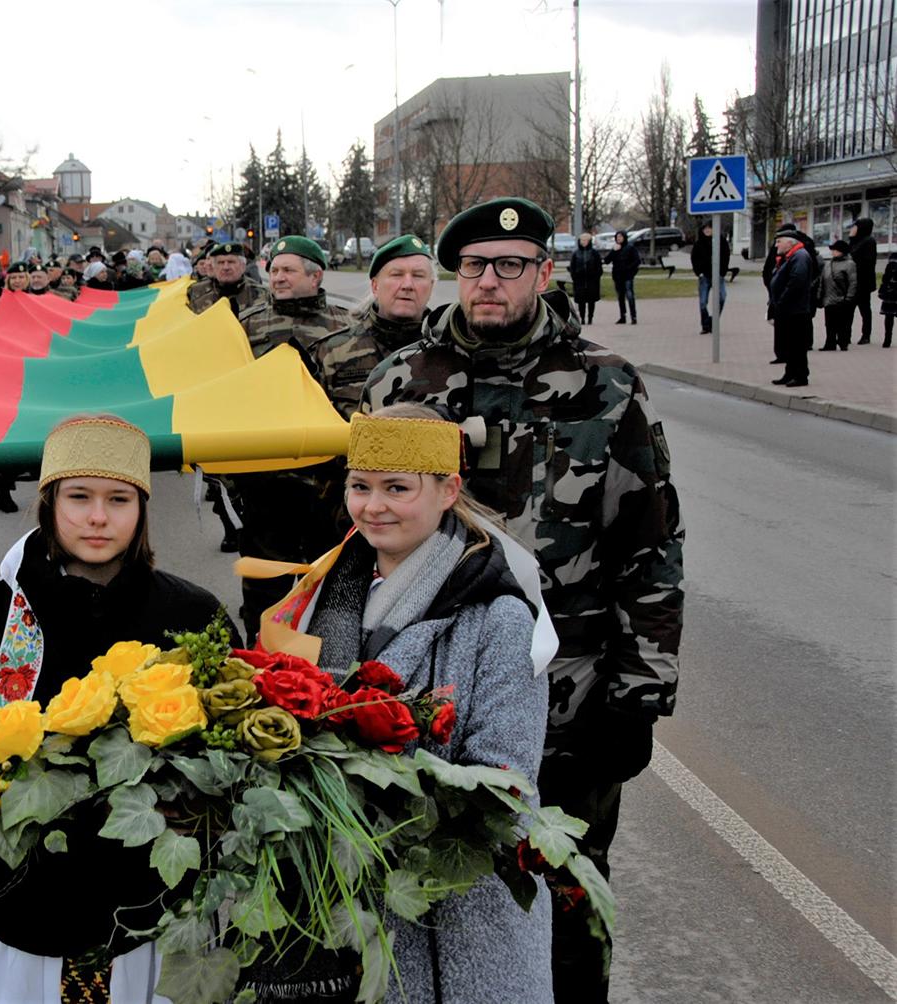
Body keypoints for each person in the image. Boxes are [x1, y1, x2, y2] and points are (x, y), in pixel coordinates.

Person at [362, 196, 684, 1002]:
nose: (490, 283)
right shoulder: (403, 379)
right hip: (425, 699)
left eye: (511, 266)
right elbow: (364, 530)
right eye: (474, 266)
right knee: (430, 896)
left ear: (544, 272)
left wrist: (638, 695)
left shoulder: (605, 386)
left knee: (567, 901)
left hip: (569, 702)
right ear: (455, 274)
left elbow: (650, 544)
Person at [239, 406, 554, 1003]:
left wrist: (364, 778)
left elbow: (505, 783)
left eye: (397, 488)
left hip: (458, 919)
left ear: (448, 490)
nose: (373, 506)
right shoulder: (320, 596)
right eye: (361, 486)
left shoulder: (501, 618)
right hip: (344, 906)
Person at [0, 415, 233, 1004]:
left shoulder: (193, 615)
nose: (98, 518)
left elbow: (229, 759)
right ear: (48, 504)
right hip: (29, 902)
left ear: (142, 508)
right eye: (79, 498)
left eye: (119, 499)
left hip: (151, 908)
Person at [230, 236, 353, 641]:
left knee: (330, 589)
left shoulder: (345, 326)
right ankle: (261, 666)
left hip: (329, 487)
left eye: (288, 270)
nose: (278, 278)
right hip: (266, 483)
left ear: (316, 276)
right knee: (264, 592)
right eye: (274, 269)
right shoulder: (244, 326)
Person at [314, 235, 437, 417]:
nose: (408, 285)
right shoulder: (331, 353)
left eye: (418, 276)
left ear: (431, 286)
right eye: (396, 275)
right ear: (375, 285)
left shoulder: (448, 352)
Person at [768, 225, 817, 387]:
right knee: (789, 344)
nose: (776, 245)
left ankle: (801, 375)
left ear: (790, 243)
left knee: (797, 345)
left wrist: (781, 301)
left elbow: (797, 282)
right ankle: (790, 373)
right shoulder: (790, 256)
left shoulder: (800, 257)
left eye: (779, 242)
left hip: (795, 310)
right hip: (787, 308)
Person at [188, 242, 271, 317]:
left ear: (243, 266)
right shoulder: (196, 292)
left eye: (231, 262)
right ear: (214, 267)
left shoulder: (262, 294)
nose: (226, 267)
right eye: (221, 263)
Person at [818, 240, 859, 352]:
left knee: (842, 323)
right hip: (828, 298)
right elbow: (822, 280)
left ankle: (843, 342)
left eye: (835, 250)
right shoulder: (828, 264)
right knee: (829, 323)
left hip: (841, 298)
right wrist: (819, 296)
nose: (833, 252)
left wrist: (849, 297)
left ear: (842, 251)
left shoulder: (850, 264)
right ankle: (830, 343)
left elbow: (853, 282)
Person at [690, 221, 731, 334]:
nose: (707, 230)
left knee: (722, 298)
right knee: (703, 302)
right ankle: (705, 325)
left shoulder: (721, 241)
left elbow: (726, 256)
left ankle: (714, 321)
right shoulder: (699, 244)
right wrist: (699, 272)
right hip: (704, 276)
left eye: (709, 228)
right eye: (705, 229)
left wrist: (722, 272)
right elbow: (694, 258)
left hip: (718, 275)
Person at [848, 218, 877, 343]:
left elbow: (866, 262)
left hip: (863, 282)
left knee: (864, 309)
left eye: (855, 226)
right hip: (852, 281)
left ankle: (866, 335)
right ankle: (846, 336)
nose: (852, 229)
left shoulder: (869, 241)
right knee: (848, 310)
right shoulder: (855, 241)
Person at [604, 229, 640, 324]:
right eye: (617, 237)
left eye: (620, 237)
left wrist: (630, 269)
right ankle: (622, 316)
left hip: (627, 276)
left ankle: (633, 316)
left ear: (624, 237)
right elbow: (606, 261)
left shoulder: (630, 248)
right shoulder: (615, 249)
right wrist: (613, 251)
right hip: (617, 276)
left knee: (630, 295)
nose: (619, 239)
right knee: (620, 297)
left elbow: (637, 261)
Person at [568, 232, 603, 325]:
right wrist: (574, 276)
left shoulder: (594, 253)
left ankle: (590, 318)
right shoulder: (576, 254)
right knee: (581, 301)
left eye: (585, 240)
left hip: (592, 281)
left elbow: (599, 267)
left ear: (589, 241)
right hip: (580, 281)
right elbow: (572, 267)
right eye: (582, 240)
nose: (583, 242)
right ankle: (582, 318)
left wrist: (596, 276)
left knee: (591, 301)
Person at [878, 250, 896, 349]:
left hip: (890, 292)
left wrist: (883, 289)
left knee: (889, 317)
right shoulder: (893, 258)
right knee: (889, 317)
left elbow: (885, 278)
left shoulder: (892, 258)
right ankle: (887, 339)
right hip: (891, 292)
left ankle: (887, 340)